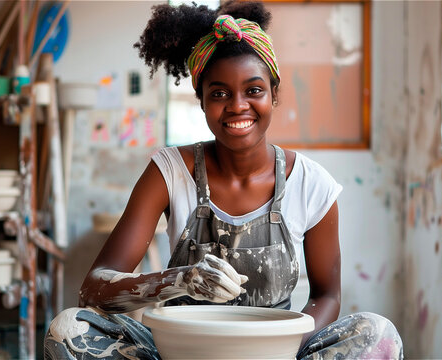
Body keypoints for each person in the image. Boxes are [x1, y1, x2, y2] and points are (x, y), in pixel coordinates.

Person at [44, 1, 403, 359]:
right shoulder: (169, 171)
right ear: (200, 100)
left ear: (274, 94)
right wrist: (178, 280)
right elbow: (92, 290)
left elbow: (327, 296)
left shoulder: (311, 184)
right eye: (219, 94)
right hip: (179, 350)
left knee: (377, 334)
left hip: (274, 351)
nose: (237, 105)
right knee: (69, 329)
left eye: (254, 90)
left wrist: (286, 343)